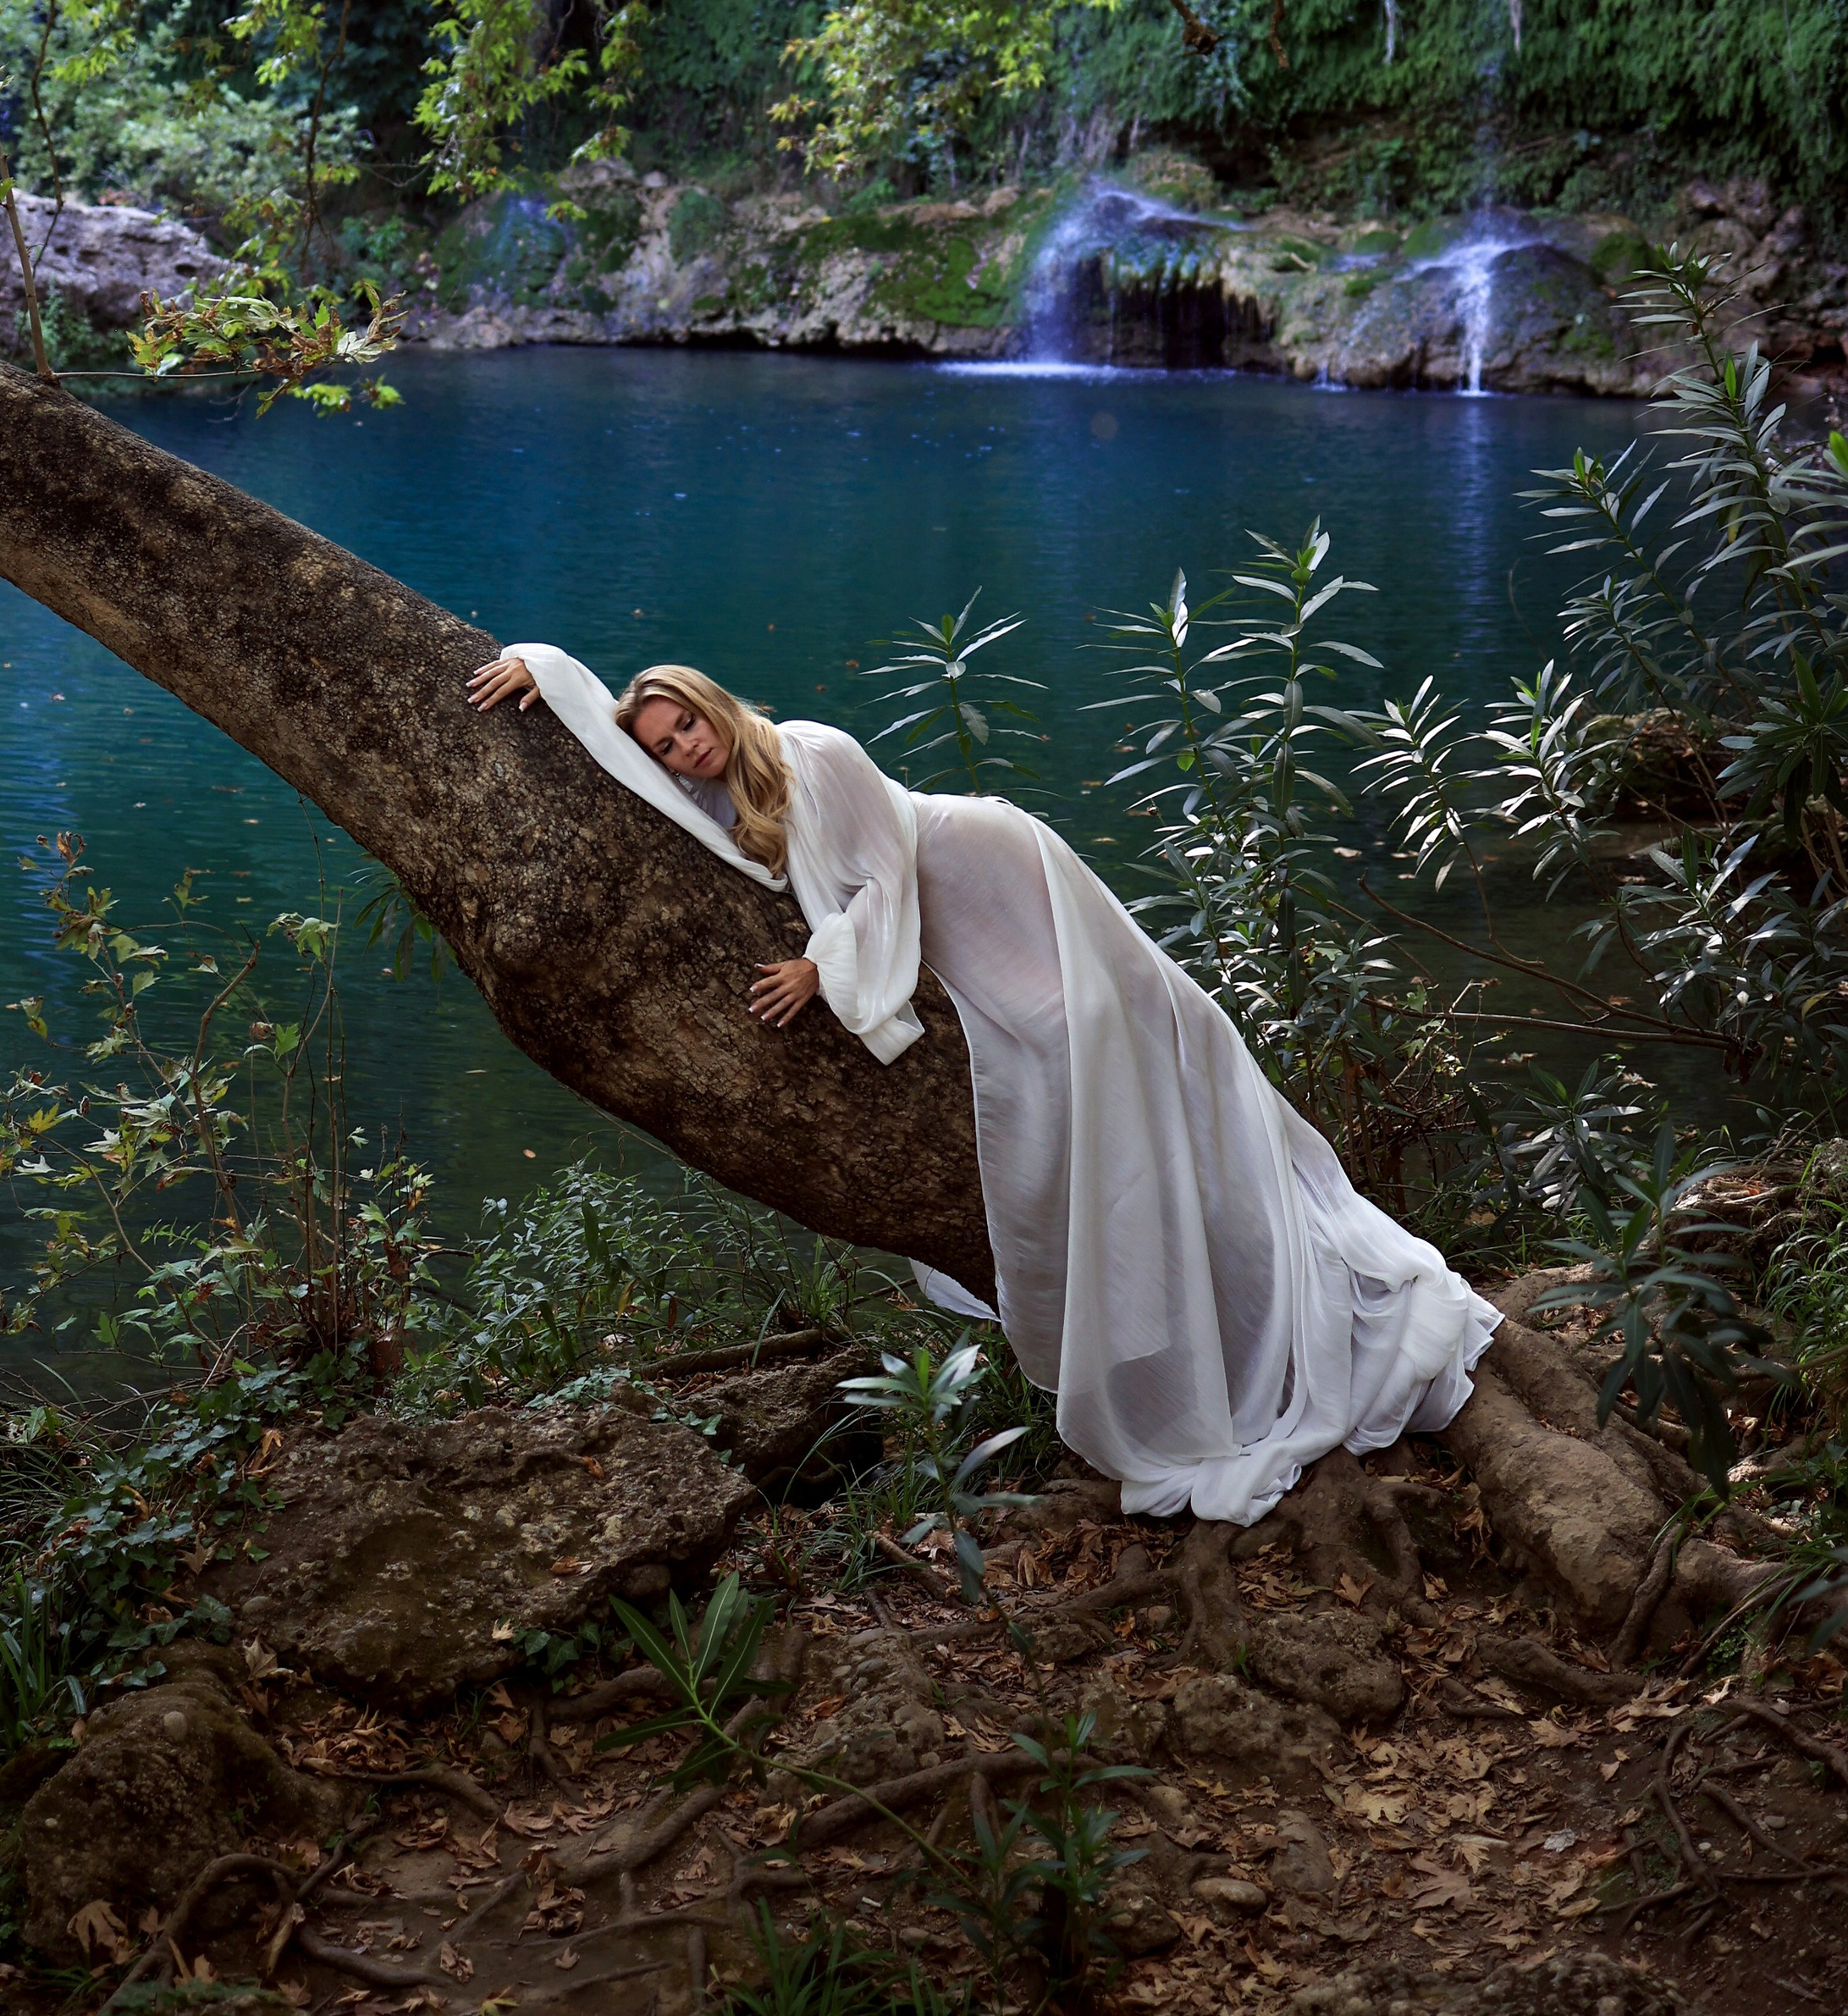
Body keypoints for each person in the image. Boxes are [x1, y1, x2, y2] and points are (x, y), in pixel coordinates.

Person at [465, 643, 1498, 1524]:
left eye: (686, 725)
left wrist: (821, 970)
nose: (685, 748)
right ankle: (1198, 1288)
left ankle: (1256, 1243)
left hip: (983, 869)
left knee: (1089, 1028)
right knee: (1064, 1057)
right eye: (667, 745)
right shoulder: (724, 791)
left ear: (711, 704)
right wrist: (545, 672)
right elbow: (618, 778)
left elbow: (882, 876)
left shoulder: (814, 751)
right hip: (945, 920)